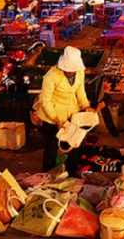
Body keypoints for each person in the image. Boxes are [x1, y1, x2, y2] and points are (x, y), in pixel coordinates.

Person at [34, 46, 93, 175]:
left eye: (73, 69)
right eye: (68, 69)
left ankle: (72, 171)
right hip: (52, 115)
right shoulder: (51, 76)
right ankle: (47, 174)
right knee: (51, 147)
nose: (71, 72)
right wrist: (56, 119)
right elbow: (45, 101)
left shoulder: (79, 72)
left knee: (74, 144)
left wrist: (85, 105)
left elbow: (80, 91)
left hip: (71, 112)